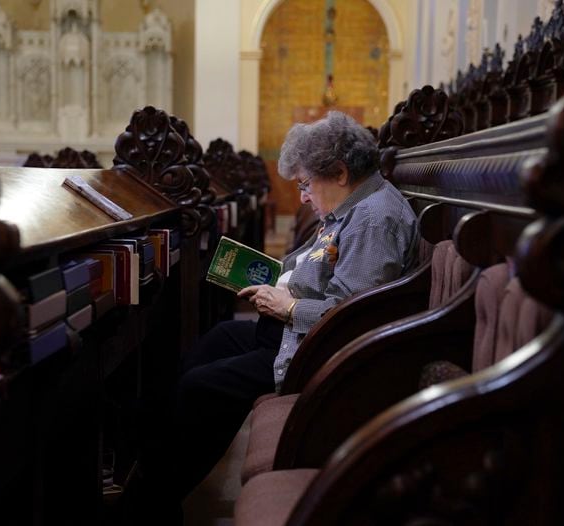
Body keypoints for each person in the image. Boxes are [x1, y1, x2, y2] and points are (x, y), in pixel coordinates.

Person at [141, 111, 418, 522]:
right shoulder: (354, 205)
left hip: (321, 354)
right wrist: (282, 282)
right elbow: (323, 270)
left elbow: (351, 317)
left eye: (306, 185)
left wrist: (287, 305)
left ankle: (150, 505)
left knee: (201, 388)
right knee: (214, 341)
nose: (303, 197)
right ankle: (153, 484)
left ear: (340, 172)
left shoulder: (375, 219)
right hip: (298, 334)